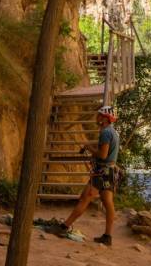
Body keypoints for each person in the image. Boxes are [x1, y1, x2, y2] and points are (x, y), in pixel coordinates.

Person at [51, 105, 120, 246]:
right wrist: (92, 146)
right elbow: (106, 151)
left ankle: (64, 227)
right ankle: (107, 236)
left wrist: (88, 147)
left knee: (84, 198)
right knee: (108, 203)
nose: (97, 117)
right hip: (110, 172)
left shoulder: (105, 132)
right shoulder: (113, 132)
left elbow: (102, 154)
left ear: (105, 118)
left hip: (101, 173)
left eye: (99, 115)